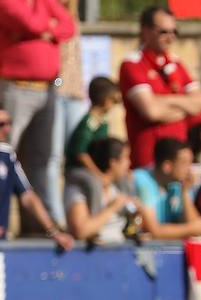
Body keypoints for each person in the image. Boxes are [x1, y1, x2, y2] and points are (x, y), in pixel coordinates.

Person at [2, 0, 78, 221]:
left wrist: (45, 30)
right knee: (5, 157)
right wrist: (45, 27)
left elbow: (68, 25)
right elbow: (28, 23)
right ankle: (4, 222)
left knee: (43, 160)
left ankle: (41, 224)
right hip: (16, 88)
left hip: (48, 89)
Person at [118, 6, 201, 169]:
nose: (170, 38)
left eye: (174, 32)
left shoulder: (176, 63)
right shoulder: (132, 64)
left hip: (179, 162)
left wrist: (162, 102)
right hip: (149, 161)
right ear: (145, 31)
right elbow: (150, 112)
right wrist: (185, 107)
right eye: (163, 32)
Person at [36, 0, 85, 225]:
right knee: (51, 158)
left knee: (77, 157)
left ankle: (76, 214)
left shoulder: (72, 16)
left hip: (75, 95)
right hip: (52, 93)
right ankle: (55, 219)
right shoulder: (42, 14)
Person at [0, 107, 74, 249]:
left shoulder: (7, 155)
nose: (7, 129)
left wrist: (53, 231)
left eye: (9, 123)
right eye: (1, 124)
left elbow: (28, 196)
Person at [64, 137, 138, 245]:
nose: (129, 163)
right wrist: (112, 208)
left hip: (118, 255)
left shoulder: (117, 189)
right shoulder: (79, 189)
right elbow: (80, 231)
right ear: (113, 162)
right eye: (126, 158)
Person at [131, 138, 201, 240]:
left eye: (191, 162)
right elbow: (155, 231)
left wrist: (184, 193)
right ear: (167, 166)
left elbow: (199, 228)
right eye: (185, 163)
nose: (190, 169)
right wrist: (190, 229)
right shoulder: (142, 180)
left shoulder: (181, 183)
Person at [65, 76, 120, 177]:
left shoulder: (101, 123)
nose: (114, 104)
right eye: (113, 100)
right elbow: (80, 153)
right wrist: (99, 175)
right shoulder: (89, 123)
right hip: (80, 172)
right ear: (105, 99)